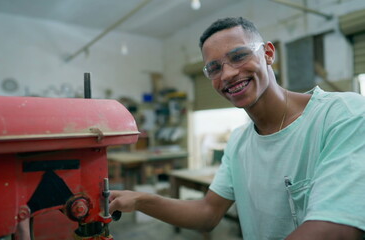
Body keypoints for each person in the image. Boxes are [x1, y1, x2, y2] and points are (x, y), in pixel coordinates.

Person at [109, 17, 365, 239]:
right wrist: (141, 200)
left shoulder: (342, 115)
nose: (228, 74)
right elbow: (208, 212)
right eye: (214, 68)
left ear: (268, 54)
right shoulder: (240, 141)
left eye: (239, 56)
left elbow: (336, 229)